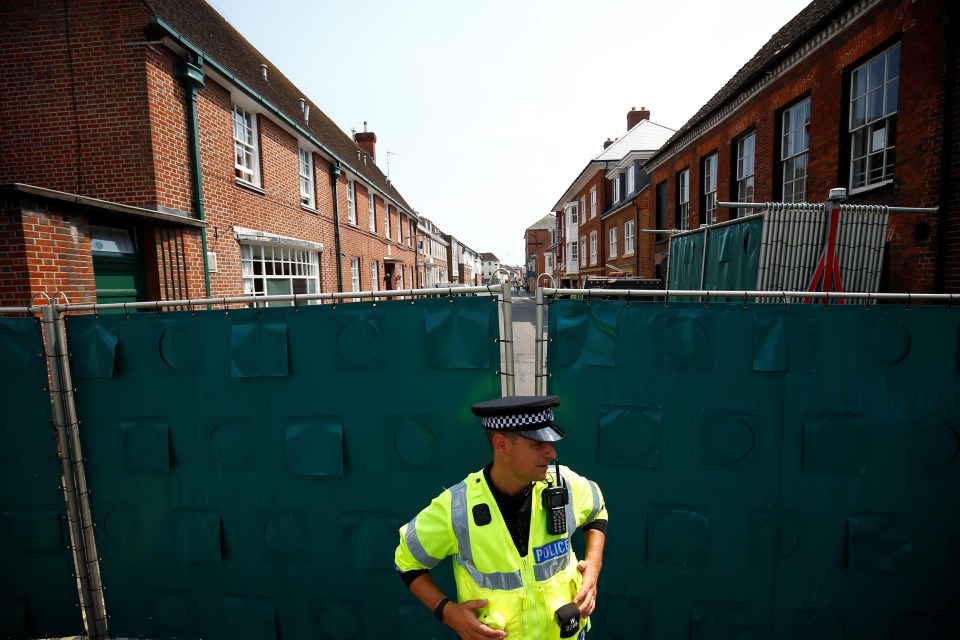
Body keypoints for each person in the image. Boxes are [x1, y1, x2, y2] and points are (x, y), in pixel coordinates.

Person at [394, 395, 608, 639]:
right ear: (501, 444)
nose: (551, 451)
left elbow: (597, 512)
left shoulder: (565, 485)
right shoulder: (457, 509)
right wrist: (447, 611)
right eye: (537, 444)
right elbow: (407, 563)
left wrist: (593, 566)